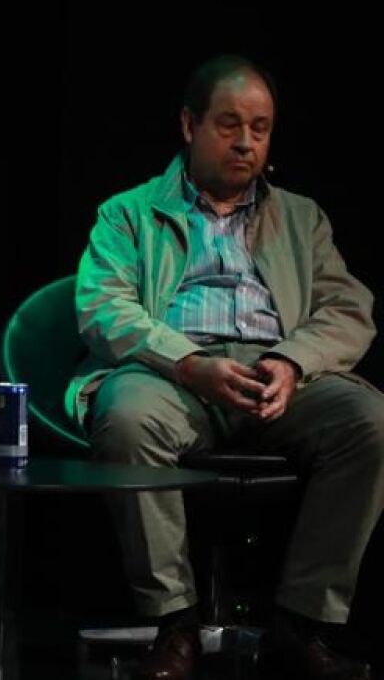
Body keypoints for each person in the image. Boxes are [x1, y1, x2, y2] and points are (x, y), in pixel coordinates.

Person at [73, 55, 384, 680]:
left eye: (260, 128)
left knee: (371, 421)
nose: (246, 142)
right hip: (172, 374)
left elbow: (348, 311)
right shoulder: (127, 213)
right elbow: (104, 306)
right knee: (127, 418)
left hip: (278, 377)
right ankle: (174, 623)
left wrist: (291, 362)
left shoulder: (302, 217)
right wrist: (188, 364)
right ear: (189, 125)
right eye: (229, 124)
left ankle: (303, 622)